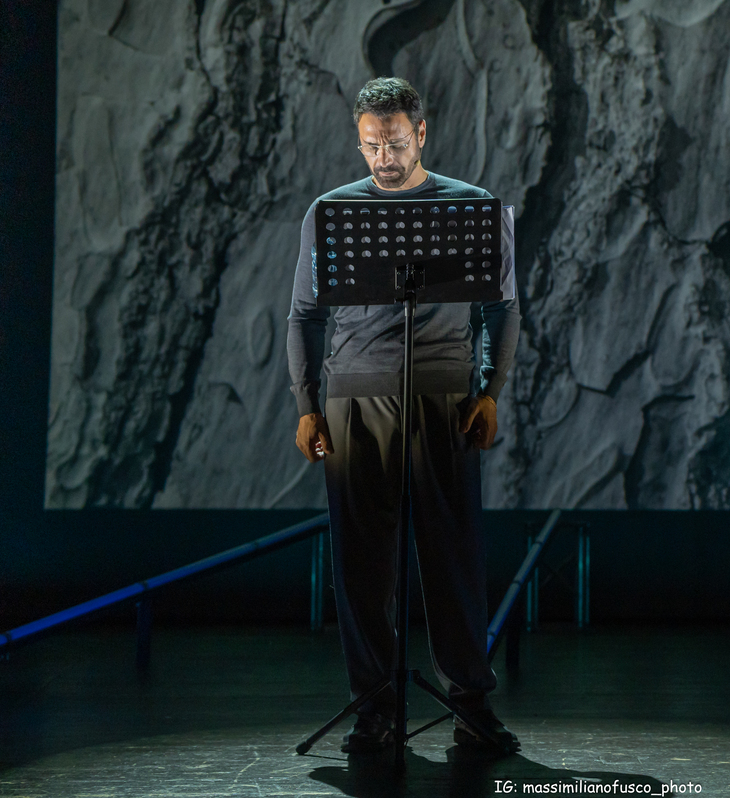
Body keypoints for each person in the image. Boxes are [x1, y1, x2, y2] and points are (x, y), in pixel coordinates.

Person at [286, 77, 521, 755]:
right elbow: (304, 316)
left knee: (453, 554)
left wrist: (489, 390)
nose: (382, 158)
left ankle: (471, 706)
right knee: (361, 563)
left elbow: (502, 307)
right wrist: (307, 405)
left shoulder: (471, 207)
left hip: (444, 396)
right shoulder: (331, 211)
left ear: (421, 133)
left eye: (393, 143)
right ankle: (374, 710)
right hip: (354, 399)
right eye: (370, 146)